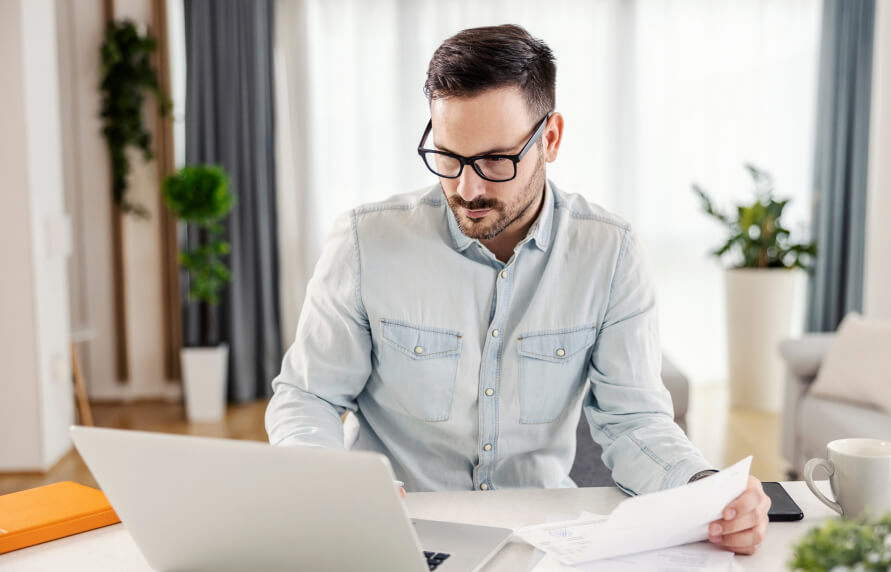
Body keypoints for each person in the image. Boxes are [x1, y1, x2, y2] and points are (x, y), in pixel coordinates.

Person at [266, 24, 770, 555]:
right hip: (400, 535)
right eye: (449, 157)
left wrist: (703, 492)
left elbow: (634, 419)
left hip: (544, 541)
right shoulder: (365, 243)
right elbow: (307, 396)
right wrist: (333, 485)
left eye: (494, 161)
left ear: (549, 139)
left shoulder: (610, 252)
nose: (468, 189)